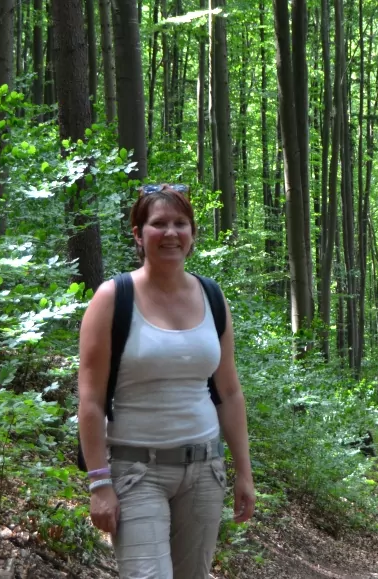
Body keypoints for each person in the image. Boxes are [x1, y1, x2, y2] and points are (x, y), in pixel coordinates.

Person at [76, 184, 254, 578]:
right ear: (139, 235)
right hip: (136, 471)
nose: (170, 233)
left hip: (205, 470)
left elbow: (228, 391)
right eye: (158, 224)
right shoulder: (112, 298)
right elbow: (89, 401)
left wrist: (244, 472)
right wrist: (99, 483)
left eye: (180, 224)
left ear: (192, 235)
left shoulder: (212, 296)